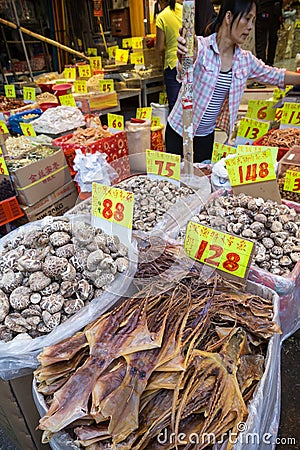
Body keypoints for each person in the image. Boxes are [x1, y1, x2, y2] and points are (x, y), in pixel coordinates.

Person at [165, 0, 300, 163]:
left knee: (201, 182)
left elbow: (276, 75)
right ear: (229, 17)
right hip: (179, 132)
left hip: (205, 137)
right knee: (175, 186)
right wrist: (186, 58)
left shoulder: (245, 60)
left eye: (253, 21)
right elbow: (183, 72)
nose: (250, 27)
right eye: (247, 19)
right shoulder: (201, 48)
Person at [156, 0, 183, 111]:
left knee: (175, 106)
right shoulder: (185, 9)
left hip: (172, 65)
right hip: (189, 61)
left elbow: (159, 47)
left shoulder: (162, 16)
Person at [255, 0, 282, 67]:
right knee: (270, 40)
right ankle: (267, 63)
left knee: (262, 40)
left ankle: (262, 64)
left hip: (266, 12)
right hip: (272, 12)